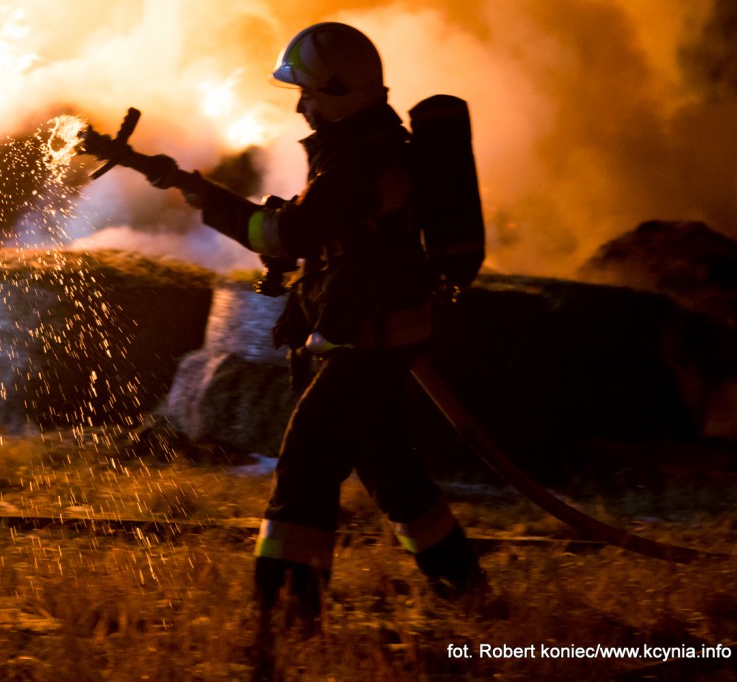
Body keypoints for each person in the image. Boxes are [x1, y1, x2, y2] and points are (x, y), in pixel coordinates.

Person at [150, 22, 489, 628]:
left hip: (367, 342)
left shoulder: (363, 161)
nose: (301, 106)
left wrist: (200, 194)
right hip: (371, 336)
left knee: (306, 464)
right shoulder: (367, 148)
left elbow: (282, 234)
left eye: (307, 93)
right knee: (392, 471)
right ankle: (466, 589)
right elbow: (328, 235)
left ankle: (285, 614)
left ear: (338, 93)